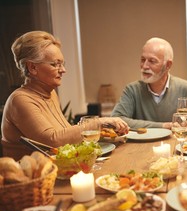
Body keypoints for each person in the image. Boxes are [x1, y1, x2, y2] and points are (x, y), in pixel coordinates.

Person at [1, 31, 129, 161]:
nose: (63, 70)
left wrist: (105, 133)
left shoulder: (50, 93)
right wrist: (99, 122)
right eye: (55, 64)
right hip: (32, 178)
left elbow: (65, 132)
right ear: (32, 67)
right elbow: (52, 141)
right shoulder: (20, 100)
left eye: (62, 64)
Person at [111, 37, 187, 136]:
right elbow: (116, 120)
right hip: (141, 152)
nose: (144, 66)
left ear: (168, 65)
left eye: (152, 61)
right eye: (143, 60)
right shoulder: (132, 90)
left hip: (178, 150)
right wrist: (165, 126)